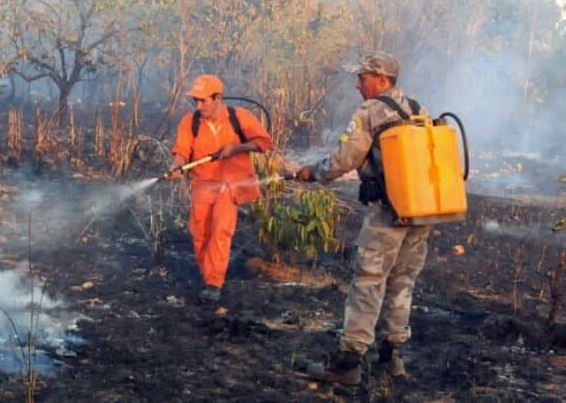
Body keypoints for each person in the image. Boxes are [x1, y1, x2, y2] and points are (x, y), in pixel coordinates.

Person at [293, 51, 429, 385]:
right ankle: (392, 357)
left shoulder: (370, 112)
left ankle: (348, 364)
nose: (357, 85)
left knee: (368, 281)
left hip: (387, 213)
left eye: (362, 77)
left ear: (382, 80)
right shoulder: (417, 109)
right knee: (403, 282)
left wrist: (313, 172)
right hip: (422, 210)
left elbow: (345, 159)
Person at [166, 74, 272, 303]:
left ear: (217, 98)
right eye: (196, 100)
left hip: (231, 183)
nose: (198, 106)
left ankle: (214, 283)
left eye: (203, 100)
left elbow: (264, 143)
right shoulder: (190, 122)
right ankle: (208, 276)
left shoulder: (239, 117)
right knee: (199, 232)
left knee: (221, 230)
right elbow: (182, 151)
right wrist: (177, 166)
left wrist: (236, 148)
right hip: (204, 184)